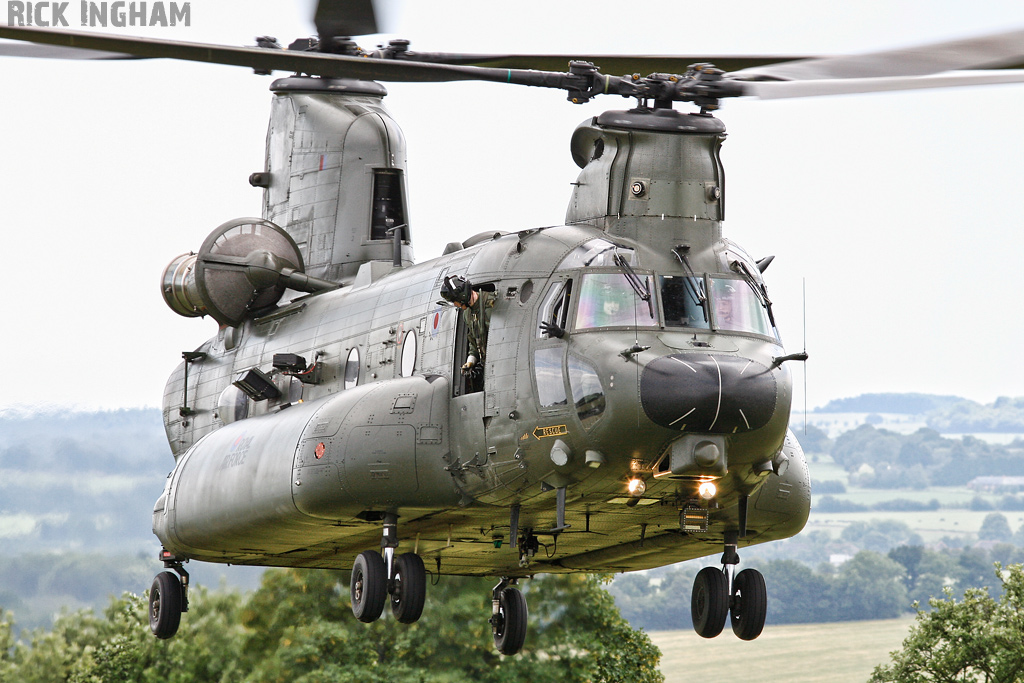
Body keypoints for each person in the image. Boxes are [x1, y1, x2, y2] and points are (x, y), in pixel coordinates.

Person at [440, 275, 494, 376]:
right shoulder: (467, 314)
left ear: (462, 296)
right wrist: (471, 361)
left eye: (454, 301)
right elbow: (474, 341)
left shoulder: (491, 305)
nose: (455, 304)